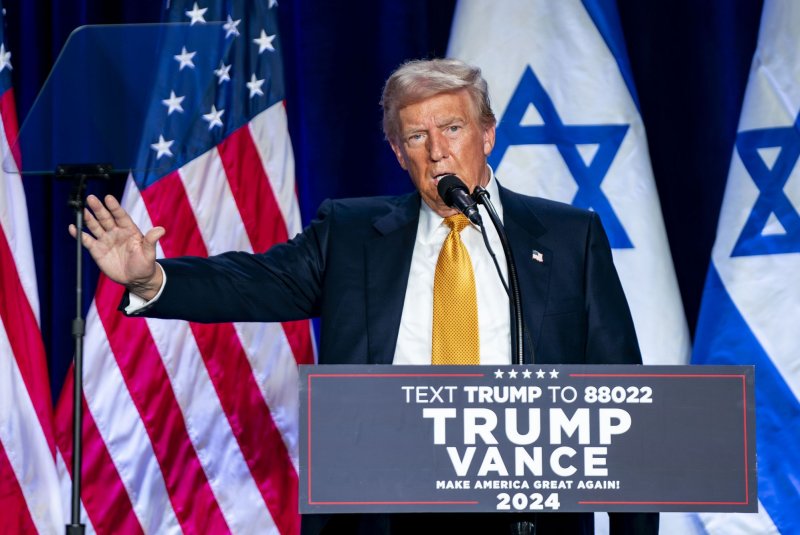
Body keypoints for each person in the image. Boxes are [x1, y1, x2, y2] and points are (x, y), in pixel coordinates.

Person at [72, 58, 657, 534]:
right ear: (398, 154)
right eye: (416, 137)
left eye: (452, 129)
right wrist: (151, 279)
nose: (437, 151)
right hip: (386, 510)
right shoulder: (352, 234)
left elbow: (621, 396)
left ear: (487, 133)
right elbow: (253, 282)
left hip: (525, 512)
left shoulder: (566, 236)